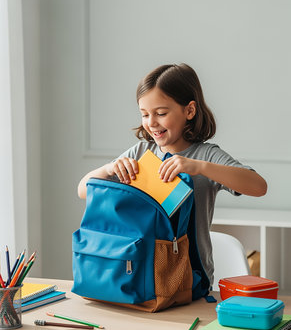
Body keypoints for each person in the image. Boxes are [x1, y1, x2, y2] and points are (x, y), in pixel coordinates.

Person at [78, 63, 267, 285]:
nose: (151, 123)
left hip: (188, 281)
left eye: (161, 113)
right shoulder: (140, 151)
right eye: (144, 114)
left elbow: (258, 187)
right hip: (139, 274)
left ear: (189, 110)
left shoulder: (205, 154)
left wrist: (199, 167)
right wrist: (109, 169)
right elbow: (83, 190)